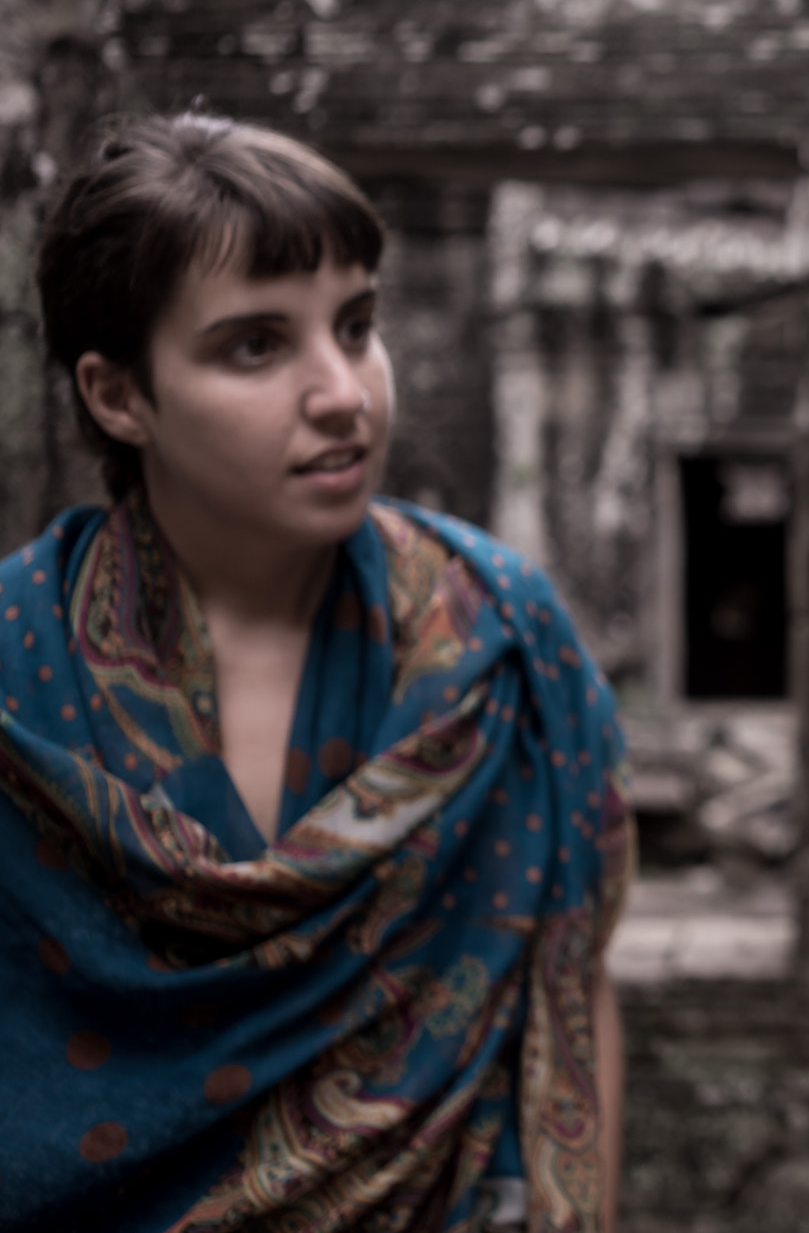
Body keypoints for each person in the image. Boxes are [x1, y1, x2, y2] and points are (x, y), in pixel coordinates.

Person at [1, 113, 632, 1231]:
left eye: (357, 325)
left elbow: (571, 985)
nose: (344, 391)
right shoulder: (17, 670)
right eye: (257, 345)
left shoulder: (500, 642)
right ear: (118, 396)